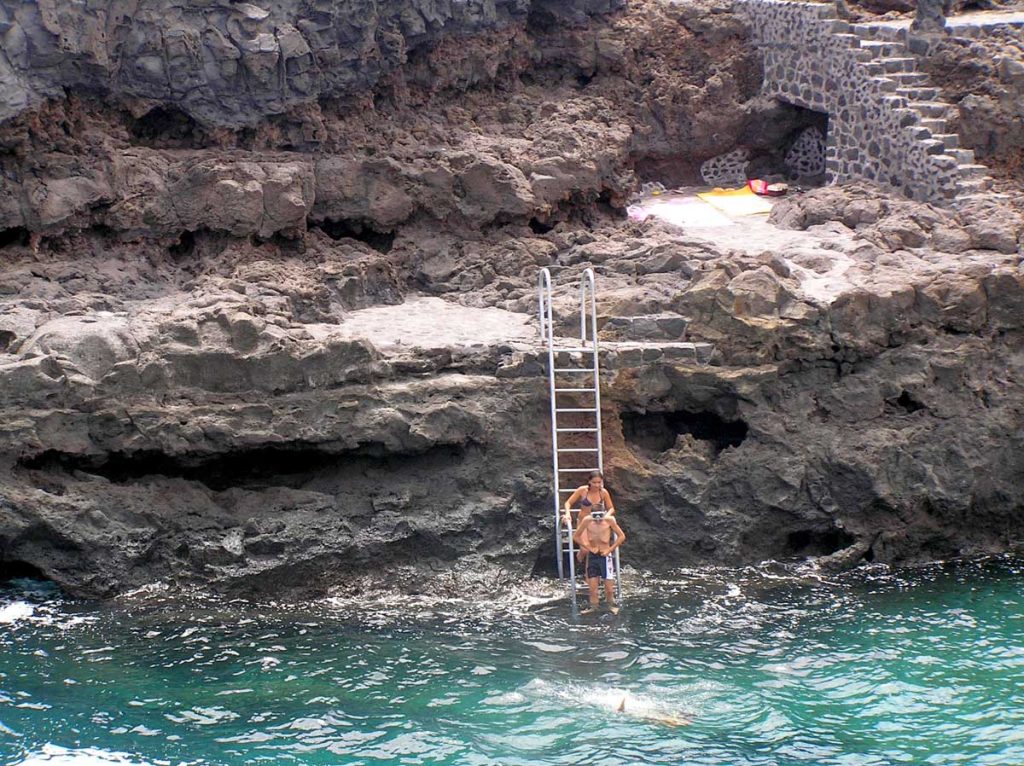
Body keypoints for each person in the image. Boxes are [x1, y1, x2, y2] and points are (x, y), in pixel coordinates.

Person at [573, 509, 625, 615]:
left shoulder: (609, 520)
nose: (598, 519)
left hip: (605, 556)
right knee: (593, 588)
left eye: (600, 516)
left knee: (609, 588)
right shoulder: (587, 520)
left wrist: (610, 550)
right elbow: (576, 536)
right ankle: (594, 608)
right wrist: (588, 548)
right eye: (595, 516)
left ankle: (611, 606)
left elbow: (621, 536)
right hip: (593, 556)